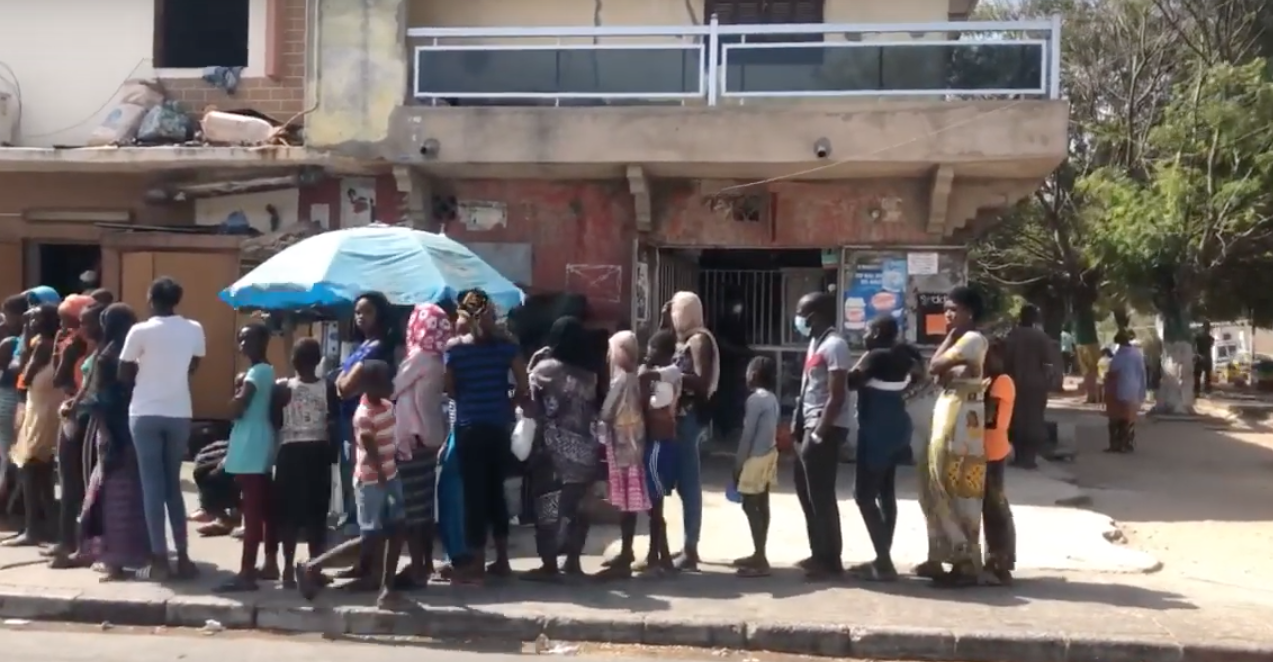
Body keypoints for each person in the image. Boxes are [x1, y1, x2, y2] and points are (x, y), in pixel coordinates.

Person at [299, 359, 406, 609]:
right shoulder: (364, 415)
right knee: (371, 537)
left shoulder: (387, 406)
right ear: (370, 385)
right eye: (385, 381)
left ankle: (387, 589)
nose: (390, 385)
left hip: (390, 476)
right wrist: (382, 475)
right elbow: (369, 446)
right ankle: (312, 566)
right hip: (373, 481)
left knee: (398, 529)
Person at [119, 276, 205, 580]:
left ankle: (159, 559)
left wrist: (147, 377)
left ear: (151, 298)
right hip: (179, 411)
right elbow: (193, 367)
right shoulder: (194, 329)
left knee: (151, 487)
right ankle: (183, 557)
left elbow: (124, 371)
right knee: (172, 487)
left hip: (144, 412)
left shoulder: (139, 331)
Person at [443, 289, 528, 582]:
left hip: (469, 428)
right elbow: (523, 383)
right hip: (498, 427)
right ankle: (502, 560)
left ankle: (476, 564)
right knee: (496, 494)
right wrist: (508, 404)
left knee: (474, 496)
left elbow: (450, 389)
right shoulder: (506, 347)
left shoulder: (455, 350)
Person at [915, 285, 990, 587]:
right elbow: (935, 372)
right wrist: (950, 338)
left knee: (956, 486)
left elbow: (935, 366)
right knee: (934, 480)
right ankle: (942, 554)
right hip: (951, 412)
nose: (948, 314)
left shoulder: (972, 339)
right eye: (946, 308)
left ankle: (965, 560)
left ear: (969, 312)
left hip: (962, 420)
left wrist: (950, 341)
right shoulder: (961, 339)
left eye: (954, 309)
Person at [521, 317, 599, 581]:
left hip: (553, 452)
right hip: (586, 451)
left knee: (548, 506)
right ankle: (574, 561)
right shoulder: (591, 375)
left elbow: (528, 397)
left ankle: (549, 564)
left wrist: (532, 363)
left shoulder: (547, 368)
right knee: (578, 509)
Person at [77, 303, 151, 580]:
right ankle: (134, 556)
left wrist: (106, 436)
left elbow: (97, 403)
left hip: (112, 432)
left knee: (110, 496)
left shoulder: (106, 357)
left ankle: (113, 563)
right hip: (135, 428)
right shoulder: (136, 355)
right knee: (133, 497)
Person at [847, 315, 919, 582]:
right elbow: (920, 376)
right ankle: (881, 557)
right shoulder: (905, 354)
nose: (864, 334)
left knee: (863, 496)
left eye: (867, 329)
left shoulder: (875, 356)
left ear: (876, 332)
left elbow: (851, 382)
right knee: (886, 493)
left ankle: (885, 563)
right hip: (898, 427)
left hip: (876, 431)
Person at [391, 302, 453, 588]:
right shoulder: (439, 359)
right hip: (429, 438)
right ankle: (425, 563)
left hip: (411, 441)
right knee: (425, 508)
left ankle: (417, 568)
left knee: (413, 509)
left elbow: (392, 387)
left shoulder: (419, 358)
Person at [790, 291, 850, 579]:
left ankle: (831, 559)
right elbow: (807, 389)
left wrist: (818, 434)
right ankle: (818, 553)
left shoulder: (835, 345)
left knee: (822, 495)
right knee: (806, 493)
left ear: (813, 316)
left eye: (801, 314)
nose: (798, 319)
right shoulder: (815, 343)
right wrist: (797, 424)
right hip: (807, 424)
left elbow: (836, 395)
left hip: (824, 427)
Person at [215, 324, 277, 592]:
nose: (242, 344)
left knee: (252, 511)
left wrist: (234, 399)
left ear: (261, 342)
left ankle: (247, 571)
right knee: (260, 509)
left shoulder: (255, 373)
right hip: (256, 440)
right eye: (240, 339)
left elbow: (237, 408)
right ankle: (267, 564)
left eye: (247, 339)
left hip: (252, 442)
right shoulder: (267, 371)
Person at [48, 298, 106, 568]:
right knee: (71, 481)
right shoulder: (79, 344)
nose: (70, 327)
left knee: (79, 482)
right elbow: (60, 379)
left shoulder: (94, 350)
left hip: (85, 417)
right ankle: (68, 539)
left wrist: (74, 402)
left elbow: (70, 382)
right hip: (76, 412)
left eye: (72, 322)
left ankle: (79, 543)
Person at [664, 292, 719, 571]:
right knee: (680, 483)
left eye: (675, 312)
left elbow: (701, 381)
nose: (673, 318)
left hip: (689, 418)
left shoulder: (699, 341)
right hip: (679, 417)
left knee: (688, 484)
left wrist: (669, 376)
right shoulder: (685, 340)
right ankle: (686, 546)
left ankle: (691, 548)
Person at [595, 330, 652, 580]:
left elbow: (607, 412)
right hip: (636, 445)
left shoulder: (621, 380)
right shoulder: (637, 377)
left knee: (625, 503)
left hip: (621, 446)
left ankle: (627, 552)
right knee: (629, 503)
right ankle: (627, 550)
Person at [2, 304, 61, 547]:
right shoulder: (46, 341)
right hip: (40, 407)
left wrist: (25, 330)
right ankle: (49, 527)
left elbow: (23, 377)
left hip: (41, 410)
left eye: (35, 317)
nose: (31, 320)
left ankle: (33, 529)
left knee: (31, 470)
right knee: (41, 473)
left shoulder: (44, 346)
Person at [731, 355, 779, 578]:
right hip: (769, 454)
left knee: (750, 506)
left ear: (753, 375)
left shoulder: (755, 400)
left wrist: (738, 464)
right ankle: (759, 552)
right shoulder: (771, 398)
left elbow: (747, 435)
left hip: (755, 458)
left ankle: (760, 558)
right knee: (762, 504)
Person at [639, 330, 681, 575]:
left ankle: (658, 557)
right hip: (658, 442)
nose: (648, 353)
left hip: (659, 443)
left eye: (652, 349)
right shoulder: (666, 375)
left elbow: (643, 381)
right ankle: (659, 554)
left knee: (655, 506)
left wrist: (644, 366)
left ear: (663, 352)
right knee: (654, 505)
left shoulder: (671, 372)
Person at [1002, 304, 1057, 469]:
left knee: (1016, 419)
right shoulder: (1041, 337)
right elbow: (1049, 363)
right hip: (1036, 386)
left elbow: (1005, 359)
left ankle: (1019, 457)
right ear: (1034, 319)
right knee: (1034, 420)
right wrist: (1049, 381)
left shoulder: (1012, 335)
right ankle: (1029, 459)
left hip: (1014, 384)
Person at [982, 337, 1016, 585]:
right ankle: (992, 558)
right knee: (986, 507)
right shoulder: (986, 381)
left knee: (995, 508)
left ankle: (1003, 560)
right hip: (982, 450)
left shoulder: (1002, 382)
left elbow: (988, 418)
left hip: (993, 450)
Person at [0, 295, 28, 516]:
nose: (6, 319)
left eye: (9, 314)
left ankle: (8, 502)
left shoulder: (13, 342)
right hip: (17, 399)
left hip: (10, 399)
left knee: (6, 451)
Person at [1105, 331, 1147, 453]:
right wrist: (1142, 391)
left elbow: (1113, 371)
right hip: (1134, 390)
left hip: (1118, 389)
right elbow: (1142, 373)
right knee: (1128, 419)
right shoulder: (1137, 354)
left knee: (1115, 419)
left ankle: (1116, 444)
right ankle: (1127, 443)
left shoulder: (1120, 355)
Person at [1194, 322, 1214, 395]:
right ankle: (1205, 390)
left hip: (1200, 357)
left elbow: (1195, 345)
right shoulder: (1210, 339)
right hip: (1205, 357)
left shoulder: (1198, 337)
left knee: (1198, 375)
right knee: (1204, 375)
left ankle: (1198, 390)